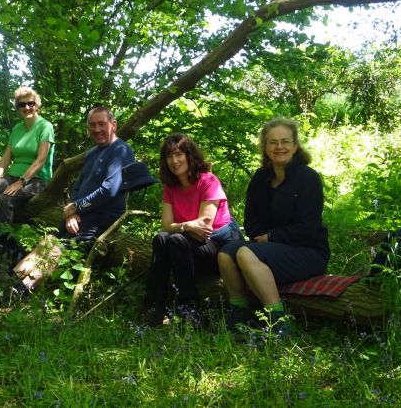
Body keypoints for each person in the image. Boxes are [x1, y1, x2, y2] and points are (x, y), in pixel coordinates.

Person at [218, 118, 330, 337]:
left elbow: (307, 228)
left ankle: (278, 321)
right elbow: (251, 222)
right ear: (265, 148)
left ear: (295, 146)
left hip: (308, 251)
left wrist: (270, 236)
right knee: (225, 254)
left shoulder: (308, 179)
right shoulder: (260, 179)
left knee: (245, 252)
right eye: (273, 142)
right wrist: (265, 237)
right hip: (271, 249)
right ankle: (239, 313)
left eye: (285, 141)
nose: (279, 147)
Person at [10, 105, 135, 293]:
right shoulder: (93, 152)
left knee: (60, 248)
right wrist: (70, 212)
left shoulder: (121, 150)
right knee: (47, 242)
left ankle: (21, 290)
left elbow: (110, 189)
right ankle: (10, 282)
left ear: (114, 124)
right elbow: (78, 186)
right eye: (92, 125)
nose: (97, 129)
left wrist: (77, 207)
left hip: (102, 217)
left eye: (102, 124)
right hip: (79, 213)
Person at [141, 134, 243, 327]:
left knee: (175, 240)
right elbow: (165, 226)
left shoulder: (208, 181)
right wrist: (187, 225)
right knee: (161, 238)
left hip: (220, 251)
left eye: (179, 155)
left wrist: (179, 228)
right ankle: (154, 306)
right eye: (169, 157)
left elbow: (204, 227)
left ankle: (190, 311)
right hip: (190, 247)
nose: (174, 161)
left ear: (190, 156)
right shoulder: (171, 187)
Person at [0, 87, 55, 225]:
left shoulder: (45, 126)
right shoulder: (17, 129)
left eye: (30, 103)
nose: (26, 107)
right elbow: (6, 157)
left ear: (37, 105)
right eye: (22, 104)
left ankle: (4, 241)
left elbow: (41, 160)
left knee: (4, 200)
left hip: (37, 180)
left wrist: (21, 182)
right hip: (13, 176)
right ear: (17, 107)